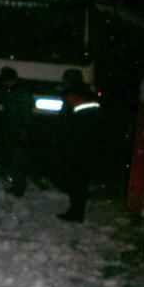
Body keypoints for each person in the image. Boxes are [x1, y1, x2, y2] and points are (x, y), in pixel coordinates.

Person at [56, 69, 101, 222]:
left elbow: (76, 124)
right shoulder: (85, 93)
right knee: (77, 180)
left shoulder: (78, 96)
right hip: (81, 145)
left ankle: (76, 212)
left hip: (79, 146)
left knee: (77, 181)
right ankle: (75, 210)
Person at [0, 66, 32, 197]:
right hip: (12, 131)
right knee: (13, 160)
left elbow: (25, 115)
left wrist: (23, 131)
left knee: (18, 161)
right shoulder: (11, 91)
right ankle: (16, 186)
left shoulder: (21, 93)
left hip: (18, 132)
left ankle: (18, 188)